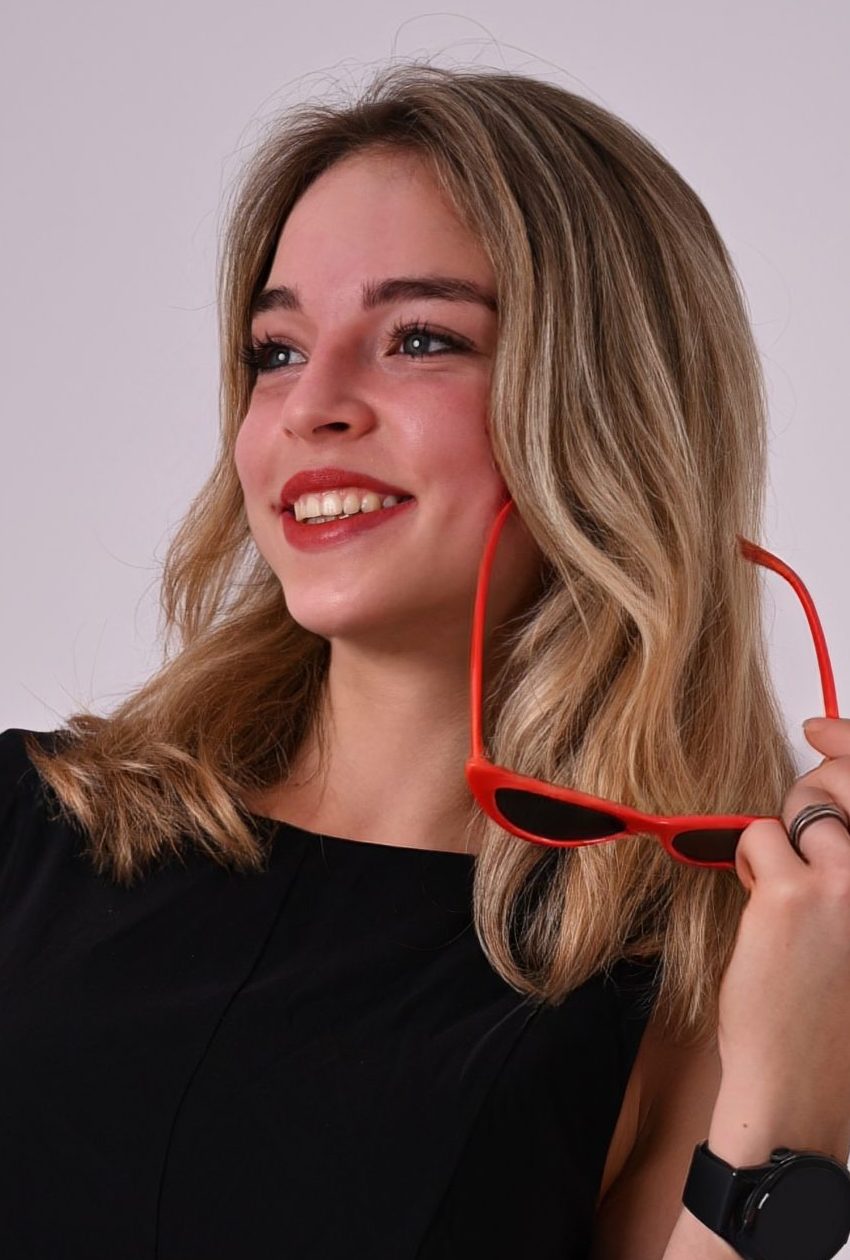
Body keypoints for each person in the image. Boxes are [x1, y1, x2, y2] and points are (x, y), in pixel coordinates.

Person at [2, 61, 849, 1260]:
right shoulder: (30, 831)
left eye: (418, 338)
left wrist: (791, 1138)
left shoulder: (693, 984)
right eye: (276, 349)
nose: (311, 405)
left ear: (605, 412)